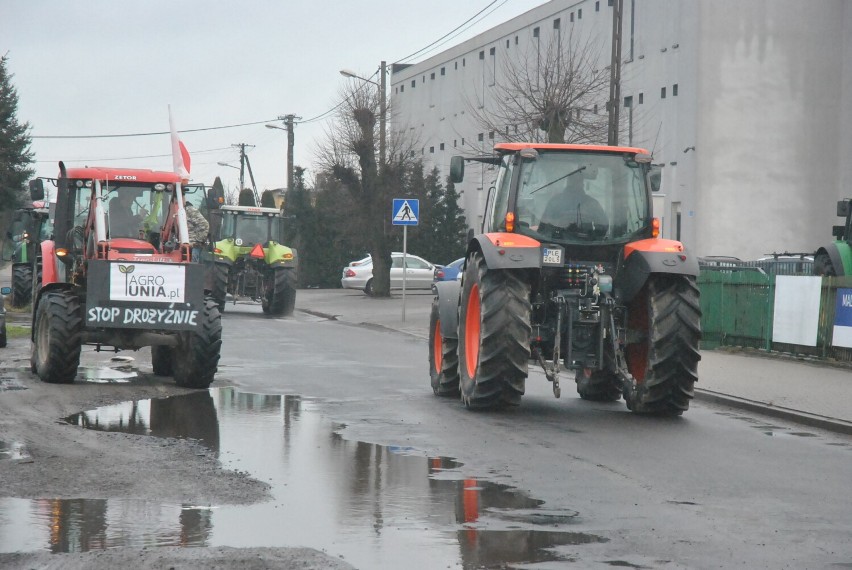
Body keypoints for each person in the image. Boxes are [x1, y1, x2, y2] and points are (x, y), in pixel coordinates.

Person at [538, 174, 608, 239]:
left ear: (582, 184)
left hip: (585, 245)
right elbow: (544, 227)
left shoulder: (591, 204)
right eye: (573, 181)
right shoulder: (555, 202)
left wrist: (591, 238)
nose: (575, 184)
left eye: (577, 181)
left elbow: (603, 227)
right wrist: (560, 222)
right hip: (557, 242)